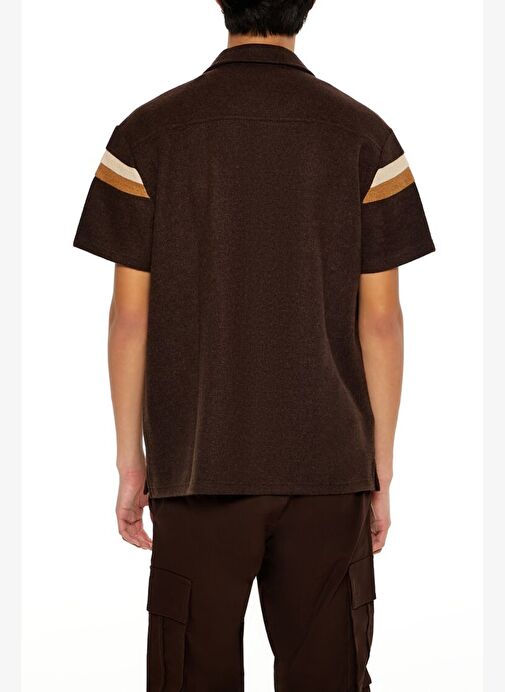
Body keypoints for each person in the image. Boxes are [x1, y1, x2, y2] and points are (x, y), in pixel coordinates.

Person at [73, 1, 435, 689]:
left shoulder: (147, 135)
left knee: (190, 677)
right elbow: (382, 321)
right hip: (329, 468)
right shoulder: (365, 137)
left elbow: (130, 317)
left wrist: (131, 462)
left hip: (196, 467)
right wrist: (378, 469)